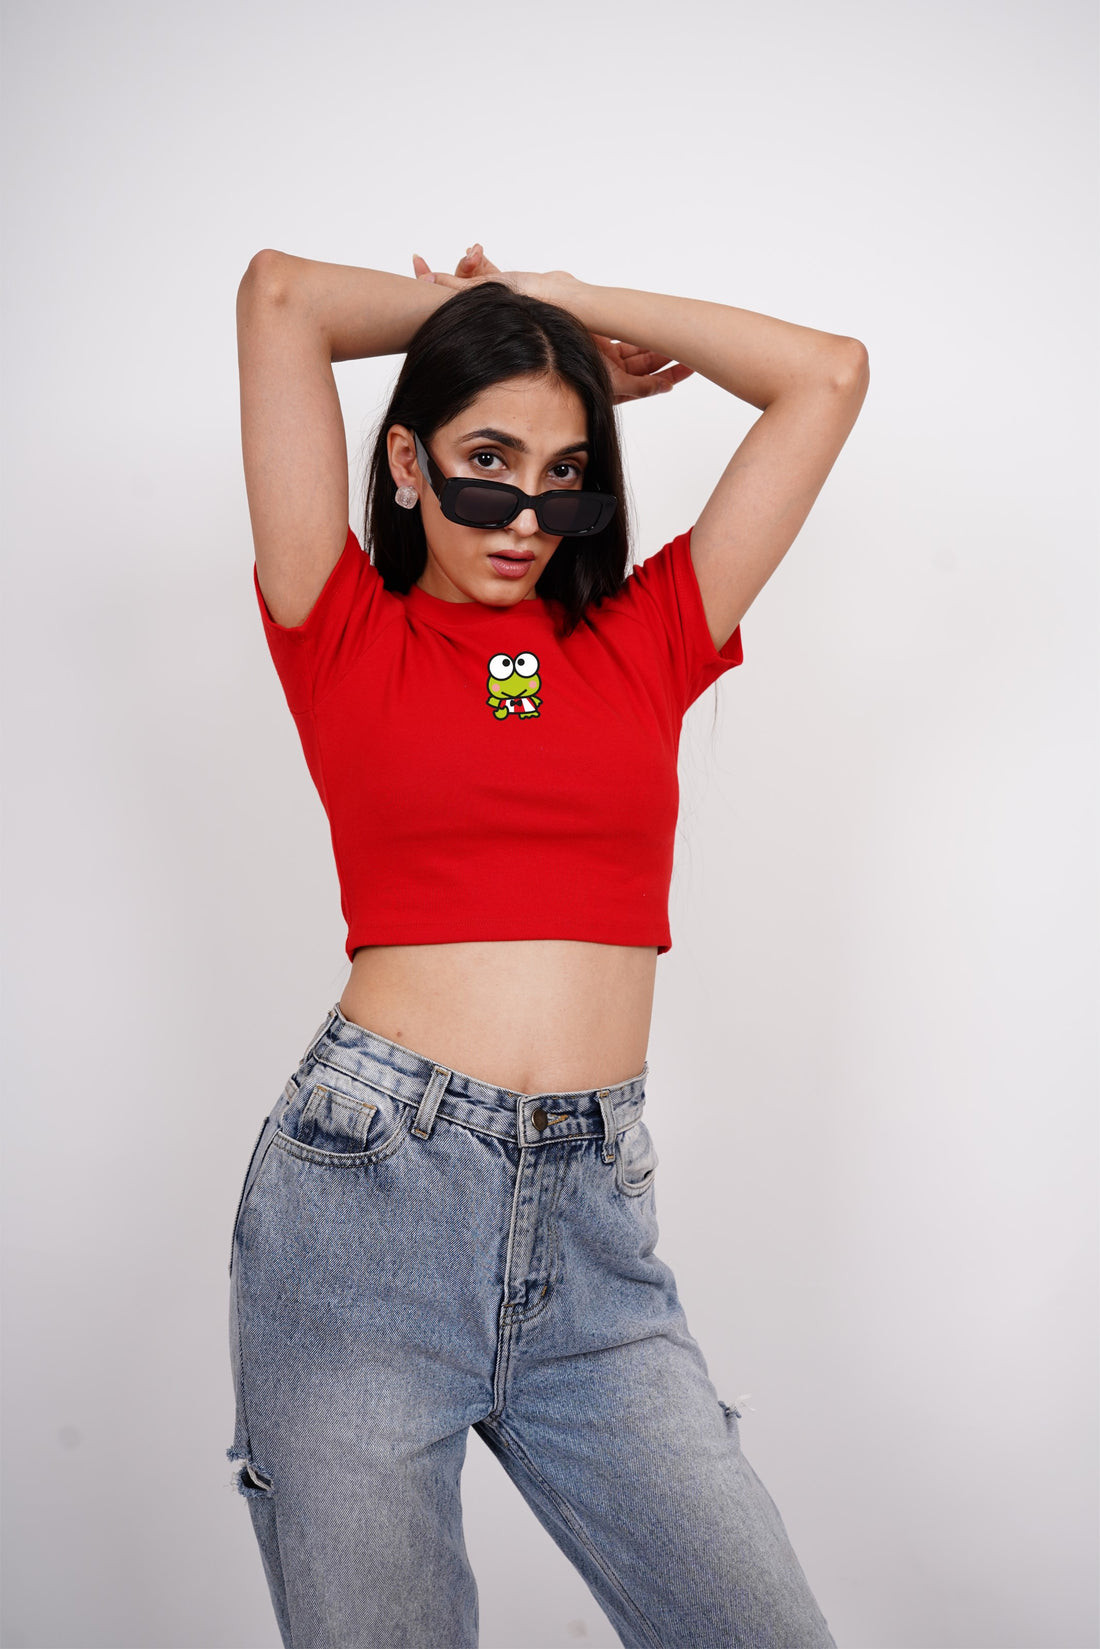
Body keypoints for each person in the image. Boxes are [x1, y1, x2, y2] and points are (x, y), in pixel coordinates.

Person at [228, 241, 868, 1649]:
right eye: (486, 464)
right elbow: (282, 297)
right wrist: (492, 323)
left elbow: (826, 377)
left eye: (564, 475)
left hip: (593, 1224)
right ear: (407, 463)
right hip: (368, 1205)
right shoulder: (341, 625)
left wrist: (564, 320)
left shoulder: (642, 638)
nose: (525, 515)